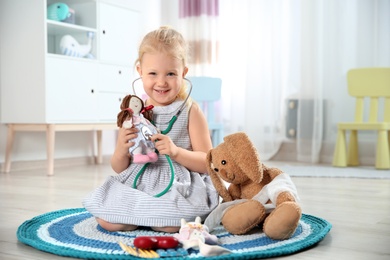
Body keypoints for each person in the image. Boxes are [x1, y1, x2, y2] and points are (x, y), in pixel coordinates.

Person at [83, 26, 219, 233]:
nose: (161, 82)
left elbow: (208, 163)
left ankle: (149, 216)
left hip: (178, 182)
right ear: (140, 72)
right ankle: (143, 215)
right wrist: (121, 148)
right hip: (142, 178)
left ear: (184, 73)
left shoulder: (191, 111)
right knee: (108, 221)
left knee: (170, 224)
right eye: (153, 73)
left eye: (171, 73)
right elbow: (119, 168)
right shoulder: (135, 113)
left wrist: (176, 152)